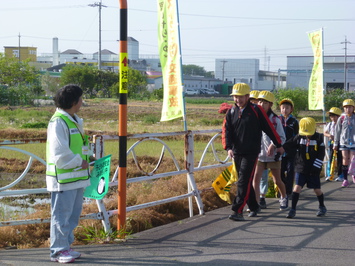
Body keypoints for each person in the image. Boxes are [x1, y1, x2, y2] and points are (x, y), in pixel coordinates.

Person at [224, 83, 284, 221]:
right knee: (245, 180)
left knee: (243, 181)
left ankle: (237, 210)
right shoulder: (232, 112)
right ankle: (254, 206)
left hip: (251, 152)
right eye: (235, 97)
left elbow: (269, 128)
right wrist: (228, 147)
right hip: (237, 152)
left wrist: (278, 144)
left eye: (241, 97)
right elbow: (227, 131)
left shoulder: (256, 110)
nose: (238, 100)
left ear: (247, 97)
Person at [46, 84, 91, 263]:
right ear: (73, 102)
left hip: (76, 177)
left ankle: (66, 247)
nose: (82, 102)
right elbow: (59, 152)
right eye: (80, 99)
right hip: (63, 179)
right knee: (60, 216)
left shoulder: (73, 119)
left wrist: (89, 157)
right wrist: (80, 162)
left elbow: (77, 146)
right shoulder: (58, 121)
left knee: (72, 216)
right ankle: (58, 251)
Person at [283, 117, 326, 218]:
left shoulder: (319, 138)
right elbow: (289, 144)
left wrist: (317, 166)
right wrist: (280, 148)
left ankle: (322, 206)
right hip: (300, 167)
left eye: (309, 133)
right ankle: (293, 209)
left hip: (313, 169)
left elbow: (321, 154)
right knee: (297, 188)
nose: (307, 135)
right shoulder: (300, 137)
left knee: (317, 190)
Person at [253, 91, 287, 211]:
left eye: (265, 102)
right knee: (256, 179)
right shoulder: (254, 118)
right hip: (259, 155)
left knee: (277, 180)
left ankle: (283, 197)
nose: (261, 104)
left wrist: (273, 145)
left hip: (273, 156)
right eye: (260, 101)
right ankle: (256, 204)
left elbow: (282, 137)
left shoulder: (275, 119)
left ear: (270, 104)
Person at [279, 98, 299, 199]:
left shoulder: (294, 121)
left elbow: (297, 136)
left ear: (291, 109)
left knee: (291, 170)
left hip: (291, 150)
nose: (285, 110)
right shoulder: (277, 119)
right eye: (283, 108)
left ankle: (289, 191)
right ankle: (282, 189)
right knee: (280, 170)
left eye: (287, 108)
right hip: (279, 150)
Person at [334, 99, 355, 188]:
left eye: (350, 107)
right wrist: (336, 143)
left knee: (353, 160)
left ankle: (353, 174)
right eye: (346, 108)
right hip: (344, 142)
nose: (348, 109)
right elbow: (337, 131)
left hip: (354, 142)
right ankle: (345, 179)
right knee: (345, 159)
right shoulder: (341, 118)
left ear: (353, 108)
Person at [324, 107, 343, 182]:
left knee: (340, 159)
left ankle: (340, 175)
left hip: (340, 143)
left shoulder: (341, 124)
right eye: (331, 116)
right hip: (332, 143)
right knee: (331, 159)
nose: (333, 118)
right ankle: (330, 175)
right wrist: (329, 136)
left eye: (334, 116)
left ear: (339, 116)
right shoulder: (330, 124)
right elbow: (325, 132)